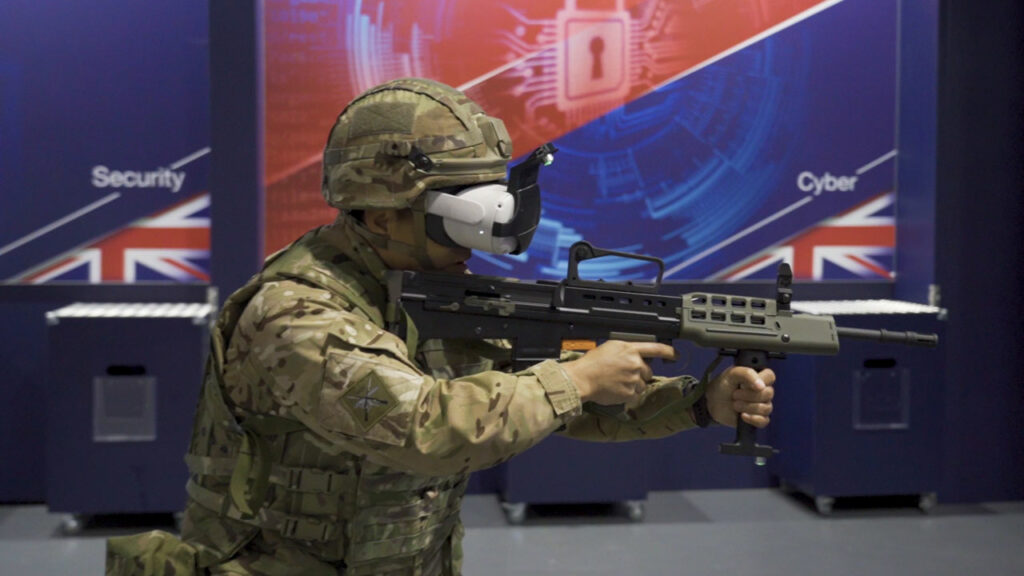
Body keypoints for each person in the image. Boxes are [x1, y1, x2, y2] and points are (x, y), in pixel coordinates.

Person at [107, 77, 775, 576]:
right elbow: (428, 428)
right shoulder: (298, 312)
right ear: (377, 214)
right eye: (456, 212)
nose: (481, 235)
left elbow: (544, 405)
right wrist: (576, 376)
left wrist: (699, 405)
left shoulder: (430, 289)